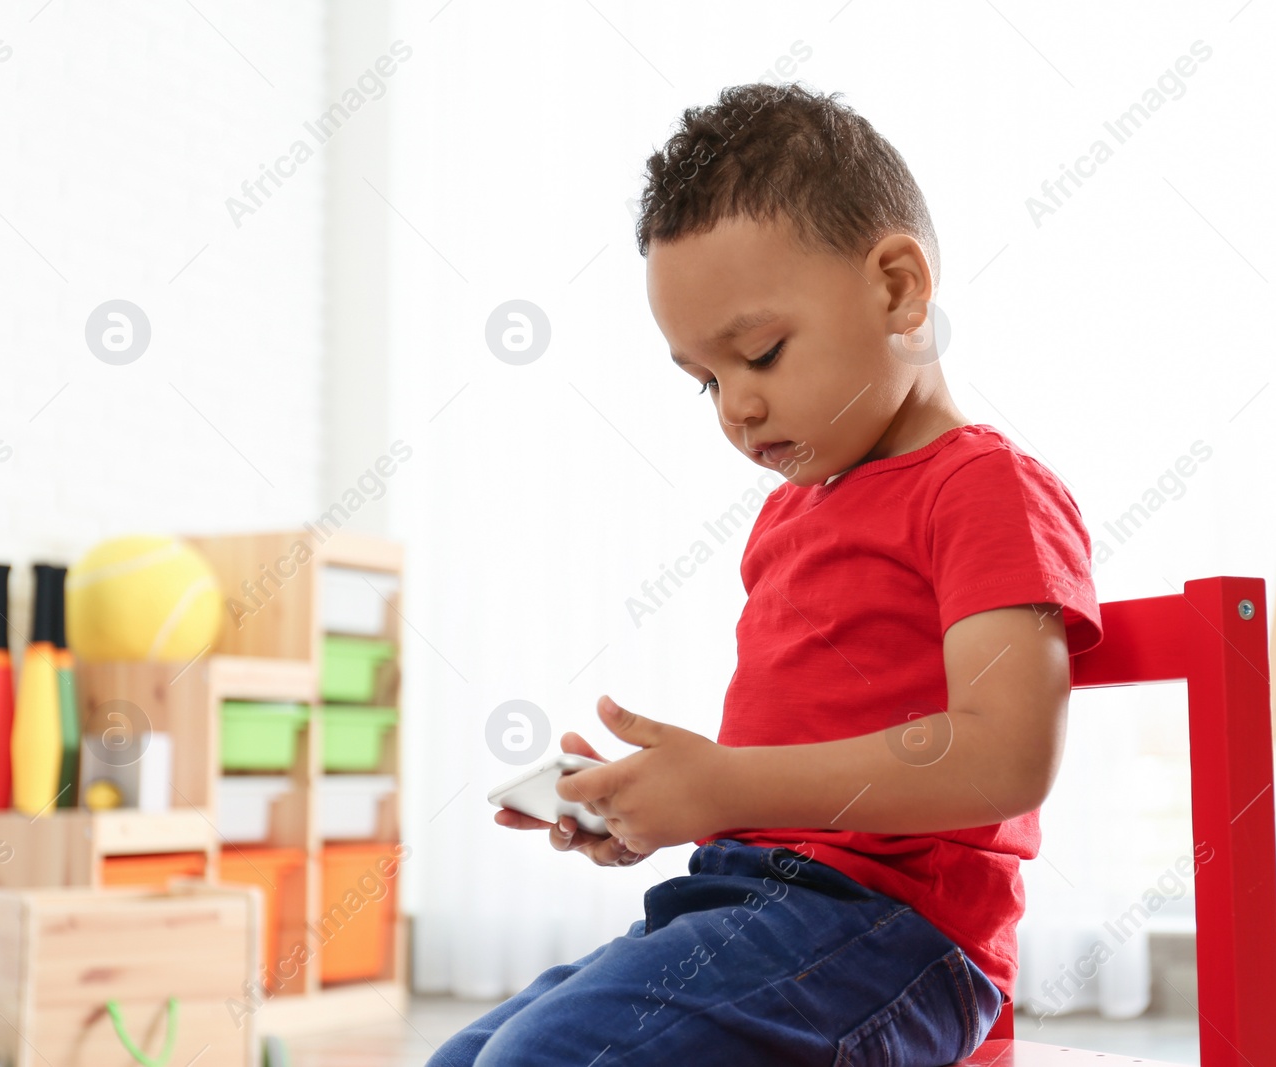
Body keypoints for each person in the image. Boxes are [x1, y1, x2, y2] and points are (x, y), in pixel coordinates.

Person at [427, 81, 1103, 1067]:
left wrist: (722, 785)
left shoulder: (984, 486)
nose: (735, 407)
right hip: (738, 900)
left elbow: (1003, 760)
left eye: (761, 353)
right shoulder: (789, 514)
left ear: (899, 289)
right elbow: (778, 773)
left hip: (892, 935)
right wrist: (652, 801)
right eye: (704, 379)